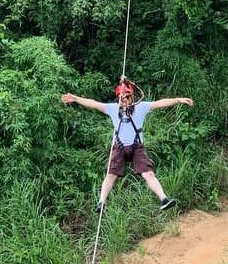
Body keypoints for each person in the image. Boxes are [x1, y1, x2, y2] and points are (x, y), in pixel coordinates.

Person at [61, 77, 193, 213]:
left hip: (137, 147)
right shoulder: (113, 109)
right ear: (118, 98)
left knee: (148, 173)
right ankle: (101, 202)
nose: (124, 100)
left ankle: (164, 199)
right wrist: (76, 98)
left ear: (132, 97)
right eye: (121, 98)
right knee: (111, 175)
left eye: (127, 97)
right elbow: (93, 103)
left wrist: (178, 100)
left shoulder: (141, 107)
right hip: (119, 147)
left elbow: (160, 103)